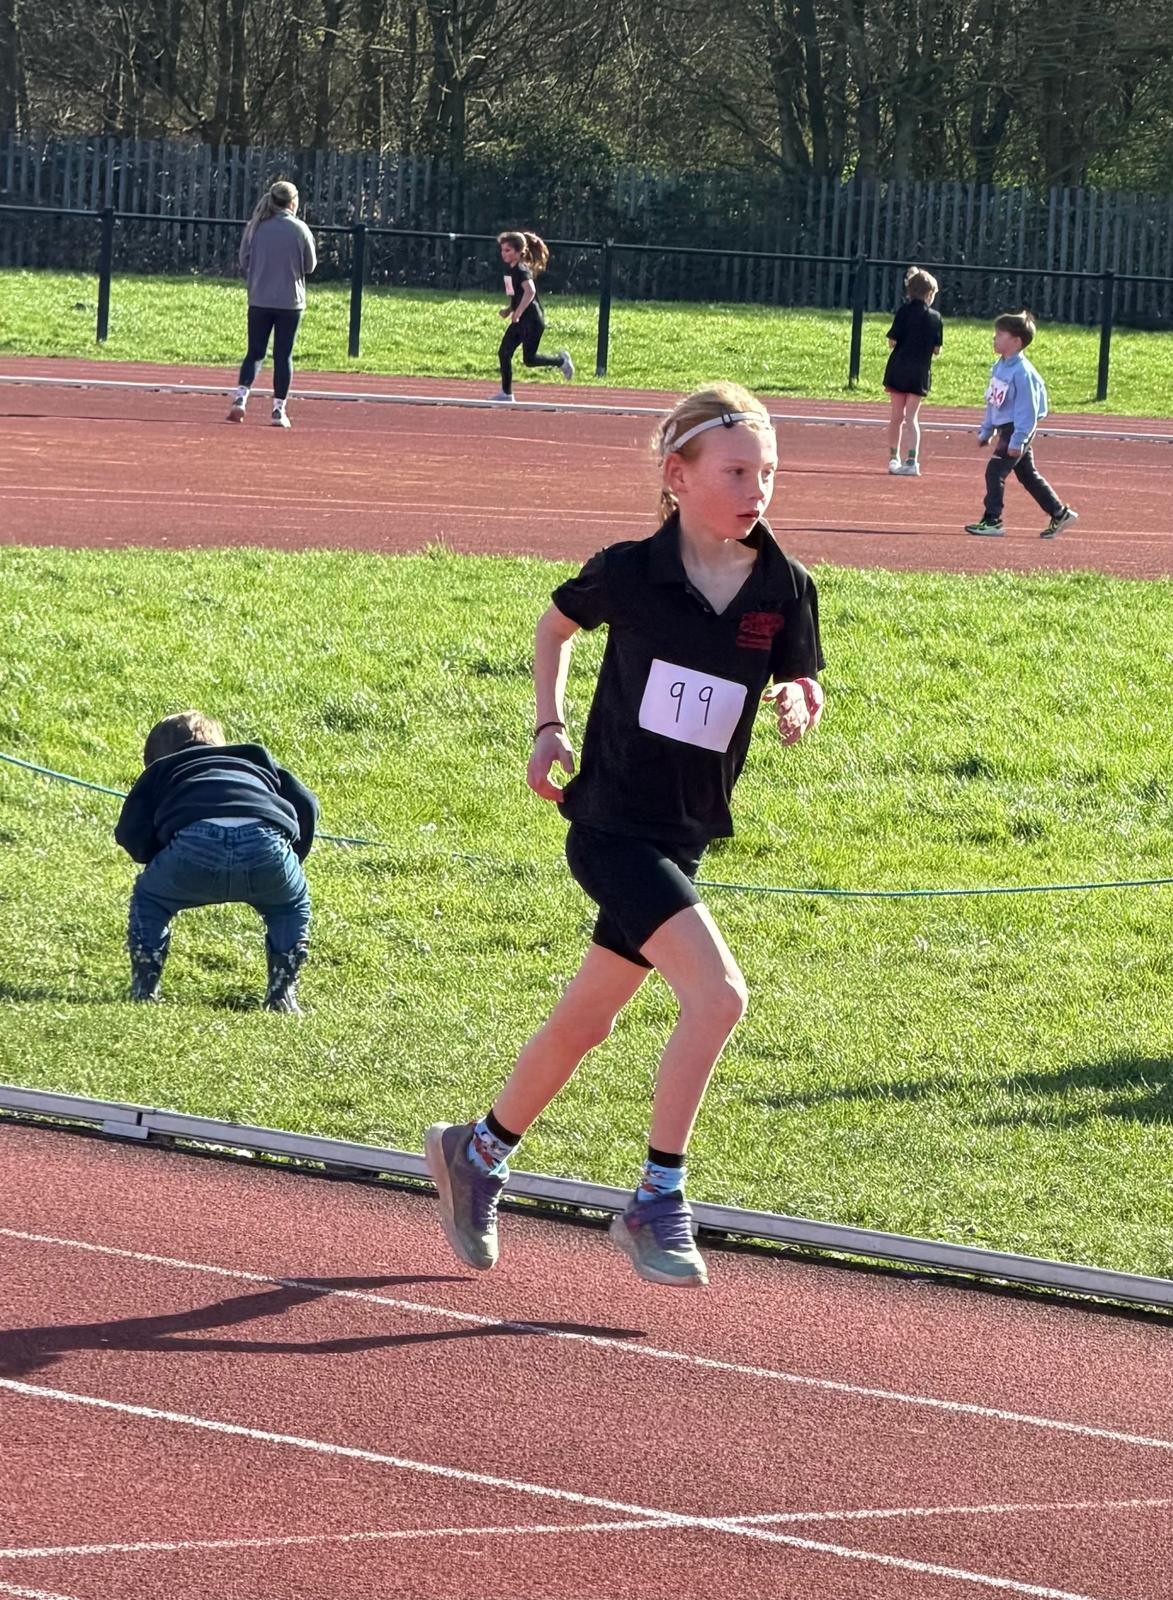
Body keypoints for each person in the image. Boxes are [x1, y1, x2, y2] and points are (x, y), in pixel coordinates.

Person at [425, 382, 825, 1289]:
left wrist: (801, 698)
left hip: (684, 837)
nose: (756, 489)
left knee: (588, 1020)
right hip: (608, 827)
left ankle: (475, 1153)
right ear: (677, 477)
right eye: (735, 472)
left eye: (766, 473)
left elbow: (801, 674)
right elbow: (553, 628)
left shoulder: (784, 586)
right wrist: (548, 726)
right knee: (718, 997)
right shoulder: (630, 571)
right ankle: (656, 1197)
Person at [115, 711, 318, 1013]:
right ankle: (282, 995)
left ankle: (145, 991)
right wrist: (293, 855)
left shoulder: (162, 770)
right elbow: (307, 803)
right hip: (266, 843)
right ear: (221, 744)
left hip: (194, 844)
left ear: (154, 757)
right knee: (290, 904)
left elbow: (130, 831)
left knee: (150, 899)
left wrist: (155, 855)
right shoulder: (255, 759)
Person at [964, 309, 1079, 538]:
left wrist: (1018, 439)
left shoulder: (1022, 372)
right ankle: (1060, 513)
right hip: (1007, 429)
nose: (994, 338)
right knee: (1027, 475)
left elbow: (1028, 411)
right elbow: (994, 402)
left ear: (1016, 341)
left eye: (1000, 334)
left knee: (994, 471)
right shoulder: (999, 366)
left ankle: (992, 520)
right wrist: (987, 430)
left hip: (1017, 429)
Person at [227, 180, 317, 430]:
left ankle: (241, 397)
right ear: (293, 202)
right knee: (282, 355)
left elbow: (244, 260)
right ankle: (278, 410)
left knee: (255, 352)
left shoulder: (255, 227)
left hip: (259, 298)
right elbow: (310, 266)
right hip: (290, 301)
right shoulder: (300, 228)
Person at [491, 230, 575, 403]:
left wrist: (518, 312)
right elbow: (516, 295)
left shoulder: (522, 269)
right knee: (505, 352)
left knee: (528, 359)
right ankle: (506, 394)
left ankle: (561, 361)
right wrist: (509, 309)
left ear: (518, 252)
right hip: (521, 318)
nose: (503, 254)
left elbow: (530, 291)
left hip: (532, 320)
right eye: (502, 250)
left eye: (507, 250)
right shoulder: (508, 271)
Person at [883, 266, 943, 476]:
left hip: (899, 368)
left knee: (896, 417)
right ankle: (912, 460)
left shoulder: (903, 312)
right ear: (929, 294)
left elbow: (892, 341)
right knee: (912, 418)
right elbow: (937, 349)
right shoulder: (936, 317)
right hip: (919, 372)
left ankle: (893, 458)